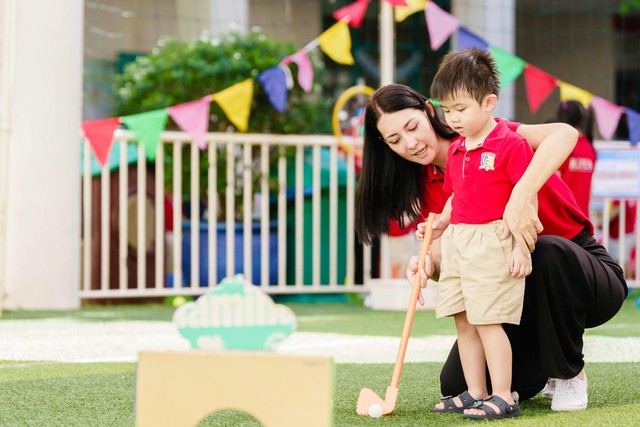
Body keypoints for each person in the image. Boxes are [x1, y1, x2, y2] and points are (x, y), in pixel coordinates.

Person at [354, 79, 628, 414]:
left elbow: (565, 135)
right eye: (395, 140)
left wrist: (522, 193)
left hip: (580, 272)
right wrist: (428, 265)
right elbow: (450, 259)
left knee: (544, 251)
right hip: (512, 289)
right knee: (458, 384)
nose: (409, 143)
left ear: (429, 111)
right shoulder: (427, 184)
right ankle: (533, 372)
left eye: (412, 127)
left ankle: (568, 371)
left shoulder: (489, 135)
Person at [423, 48, 533, 419]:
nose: (452, 118)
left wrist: (522, 247)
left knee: (488, 320)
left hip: (493, 240)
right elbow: (457, 195)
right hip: (459, 241)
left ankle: (504, 395)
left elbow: (524, 201)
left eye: (460, 109)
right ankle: (475, 392)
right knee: (464, 318)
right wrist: (441, 223)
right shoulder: (455, 148)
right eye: (446, 110)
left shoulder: (510, 144)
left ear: (489, 103)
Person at [554, 100, 597, 217]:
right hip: (582, 216)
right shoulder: (590, 147)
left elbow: (553, 183)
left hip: (562, 215)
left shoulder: (562, 145)